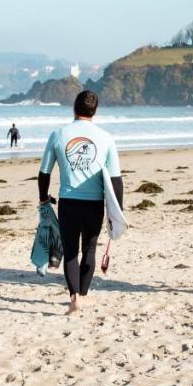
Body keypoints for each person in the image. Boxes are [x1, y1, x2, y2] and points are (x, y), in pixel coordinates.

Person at [38, 91, 123, 315]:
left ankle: (74, 298)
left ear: (74, 108)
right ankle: (84, 295)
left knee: (71, 252)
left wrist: (43, 198)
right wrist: (117, 213)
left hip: (68, 203)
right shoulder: (106, 138)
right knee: (89, 250)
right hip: (94, 204)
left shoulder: (58, 134)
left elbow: (44, 172)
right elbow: (115, 180)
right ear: (95, 111)